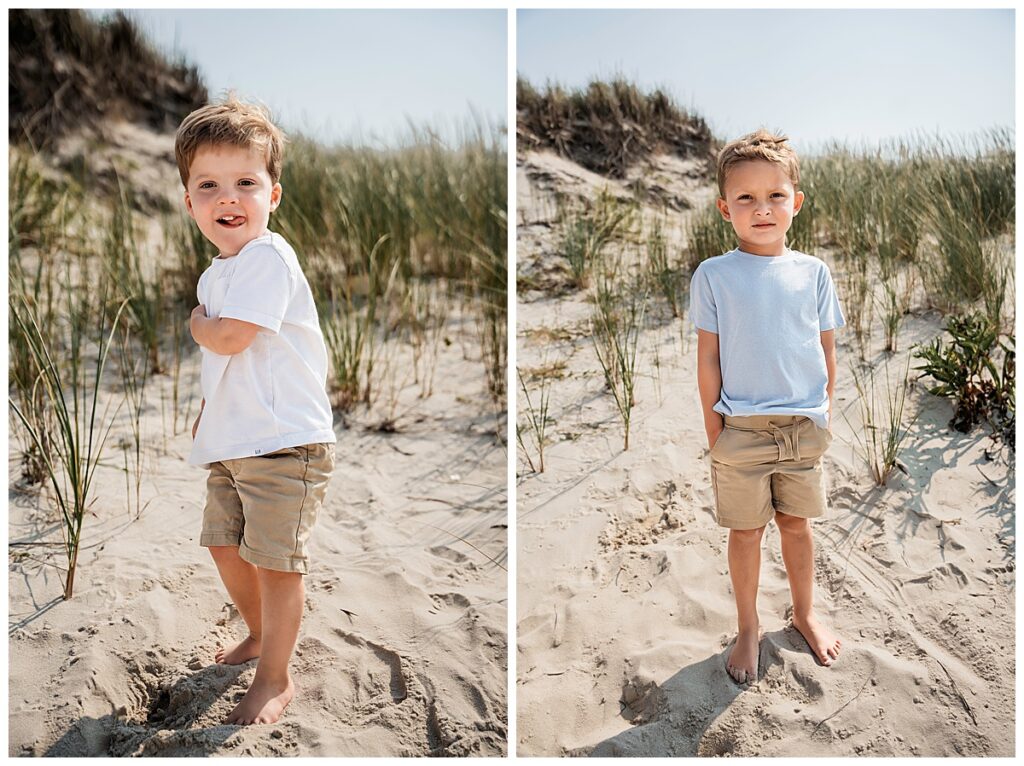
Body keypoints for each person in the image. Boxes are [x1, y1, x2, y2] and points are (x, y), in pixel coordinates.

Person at [176, 96, 336, 724]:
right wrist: (211, 411)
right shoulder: (217, 274)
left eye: (246, 181)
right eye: (208, 185)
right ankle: (258, 635)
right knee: (224, 545)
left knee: (275, 561)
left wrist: (196, 328)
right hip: (234, 441)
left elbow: (232, 339)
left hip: (285, 443)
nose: (228, 197)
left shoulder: (268, 257)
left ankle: (275, 675)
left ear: (273, 195)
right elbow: (232, 365)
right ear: (190, 203)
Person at [689, 128, 845, 686]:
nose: (762, 209)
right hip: (741, 428)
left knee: (797, 526)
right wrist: (715, 431)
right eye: (746, 198)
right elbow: (709, 358)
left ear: (795, 203)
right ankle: (749, 626)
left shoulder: (814, 272)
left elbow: (825, 346)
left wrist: (823, 409)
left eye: (775, 195)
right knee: (746, 533)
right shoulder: (714, 274)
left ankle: (803, 613)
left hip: (803, 426)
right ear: (724, 207)